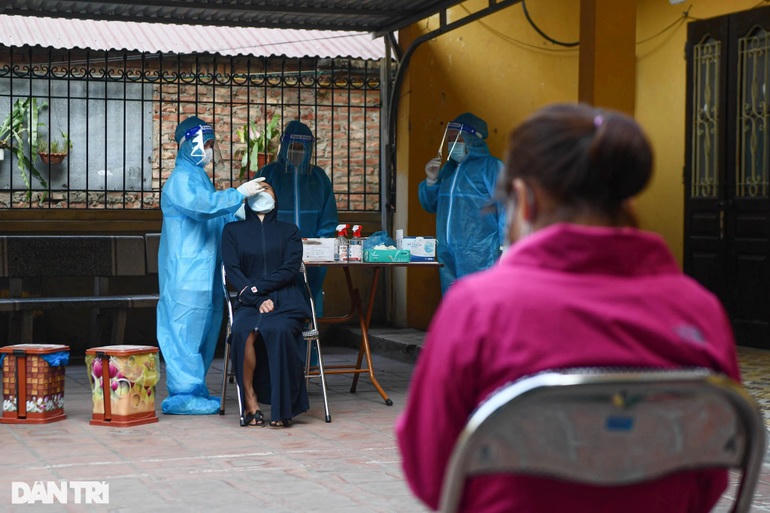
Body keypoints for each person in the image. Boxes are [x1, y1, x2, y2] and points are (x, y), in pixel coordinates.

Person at [397, 104, 740, 512]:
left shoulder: (476, 311)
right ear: (628, 199)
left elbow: (430, 472)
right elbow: (713, 471)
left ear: (524, 201)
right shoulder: (700, 313)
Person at [157, 115, 264, 415]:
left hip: (205, 274)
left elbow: (215, 215)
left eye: (211, 144)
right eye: (205, 144)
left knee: (202, 335)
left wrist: (239, 211)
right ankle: (183, 396)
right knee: (185, 335)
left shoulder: (199, 178)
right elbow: (203, 207)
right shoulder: (180, 179)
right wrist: (237, 195)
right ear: (188, 143)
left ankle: (196, 391)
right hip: (186, 275)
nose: (208, 150)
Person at [222, 183, 310, 428]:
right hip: (250, 302)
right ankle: (250, 401)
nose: (262, 193)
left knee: (278, 329)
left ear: (276, 197)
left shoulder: (289, 231)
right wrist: (257, 298)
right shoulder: (232, 231)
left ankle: (283, 408)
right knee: (243, 332)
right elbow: (233, 270)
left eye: (268, 189)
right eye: (257, 189)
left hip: (285, 298)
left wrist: (257, 289)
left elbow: (289, 269)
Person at [418, 112, 505, 294]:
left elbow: (508, 207)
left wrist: (507, 246)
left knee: (480, 300)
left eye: (457, 139)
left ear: (472, 139)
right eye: (449, 139)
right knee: (453, 300)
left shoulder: (491, 168)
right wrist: (431, 181)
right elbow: (430, 205)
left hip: (481, 254)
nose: (452, 144)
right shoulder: (448, 170)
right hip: (447, 251)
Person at [258, 120, 337, 316]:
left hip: (312, 254)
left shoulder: (319, 178)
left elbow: (328, 219)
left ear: (309, 149)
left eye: (302, 148)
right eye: (293, 146)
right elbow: (256, 213)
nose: (297, 152)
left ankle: (311, 335)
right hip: (275, 252)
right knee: (275, 299)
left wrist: (320, 245)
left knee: (309, 297)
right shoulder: (268, 174)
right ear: (284, 146)